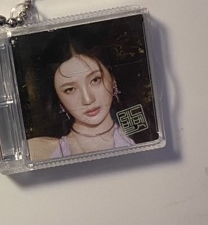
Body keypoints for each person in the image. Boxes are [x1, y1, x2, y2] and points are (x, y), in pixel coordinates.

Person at [26, 30, 136, 161]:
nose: (88, 99)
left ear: (113, 79)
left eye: (95, 80)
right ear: (58, 99)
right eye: (70, 89)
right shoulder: (38, 151)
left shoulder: (144, 135)